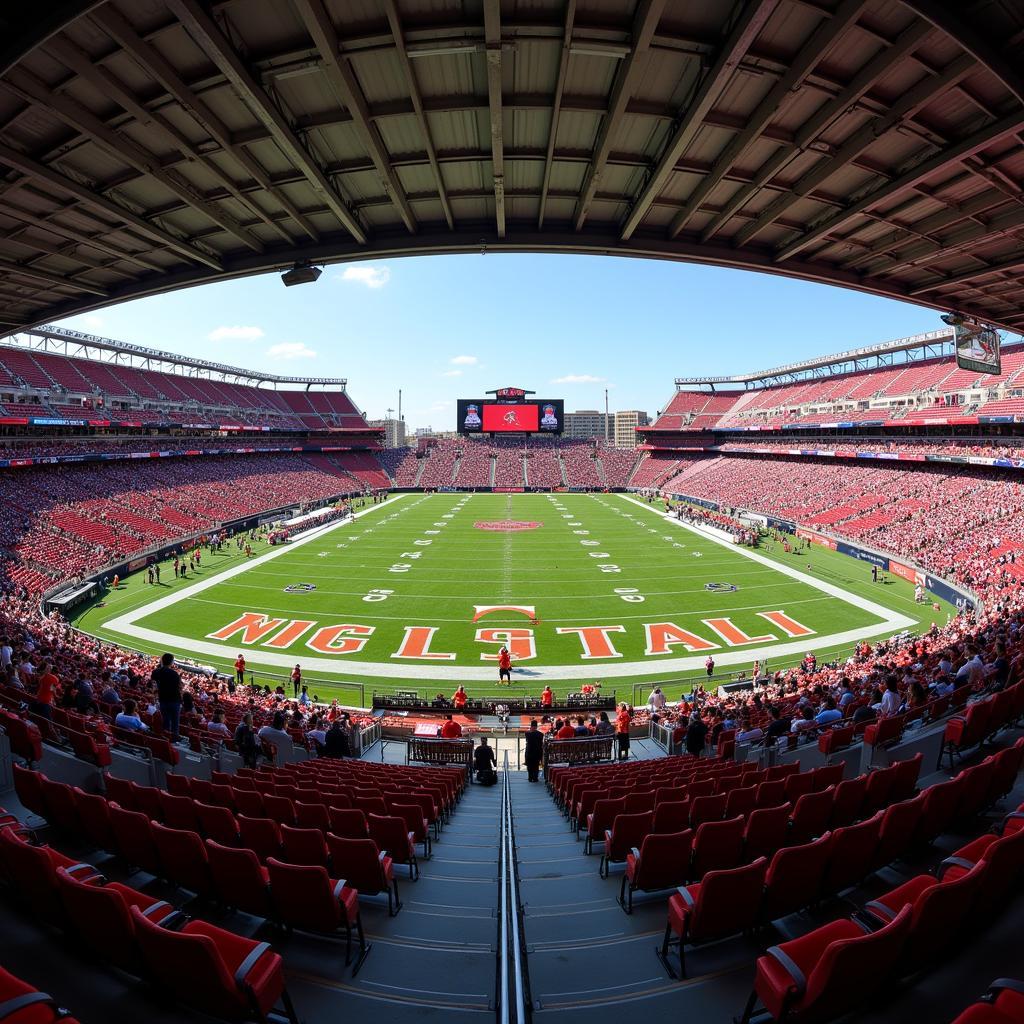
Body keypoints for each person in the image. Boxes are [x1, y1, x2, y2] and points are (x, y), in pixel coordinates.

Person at [151, 652, 182, 740]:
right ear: (171, 662)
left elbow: (153, 685)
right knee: (175, 722)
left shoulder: (155, 672)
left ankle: (166, 738)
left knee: (166, 720)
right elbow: (179, 687)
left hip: (162, 699)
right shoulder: (174, 674)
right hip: (174, 700)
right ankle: (174, 739)